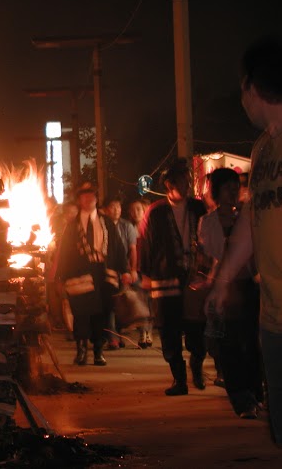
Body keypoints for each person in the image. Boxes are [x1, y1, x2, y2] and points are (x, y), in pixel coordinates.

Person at [206, 35, 282, 464]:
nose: (241, 96)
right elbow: (250, 221)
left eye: (242, 86)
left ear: (255, 87)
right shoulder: (263, 150)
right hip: (276, 318)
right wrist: (223, 279)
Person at [137, 158, 207, 396]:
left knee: (197, 330)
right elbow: (144, 244)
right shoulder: (155, 212)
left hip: (194, 278)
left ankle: (197, 361)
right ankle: (179, 379)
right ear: (169, 184)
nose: (187, 186)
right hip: (164, 279)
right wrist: (144, 273)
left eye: (188, 181)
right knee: (169, 331)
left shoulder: (198, 208)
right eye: (182, 181)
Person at [198, 168, 263, 419]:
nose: (233, 193)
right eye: (228, 188)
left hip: (248, 285)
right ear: (216, 192)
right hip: (223, 288)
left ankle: (256, 393)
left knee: (252, 343)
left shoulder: (247, 218)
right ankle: (241, 398)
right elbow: (207, 257)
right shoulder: (208, 222)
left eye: (236, 188)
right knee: (229, 345)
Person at [56, 183, 130, 366]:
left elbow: (119, 248)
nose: (89, 199)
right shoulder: (72, 226)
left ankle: (98, 351)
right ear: (79, 199)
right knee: (80, 313)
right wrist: (61, 276)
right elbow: (64, 251)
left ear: (96, 199)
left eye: (92, 196)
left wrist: (126, 270)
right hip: (79, 274)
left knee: (101, 314)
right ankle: (81, 351)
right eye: (84, 196)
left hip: (103, 274)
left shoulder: (106, 223)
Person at [104, 198, 139, 349]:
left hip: (122, 267)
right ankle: (113, 338)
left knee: (121, 303)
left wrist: (132, 269)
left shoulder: (126, 226)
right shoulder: (102, 224)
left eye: (118, 206)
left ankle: (118, 334)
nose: (116, 210)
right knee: (111, 304)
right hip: (107, 269)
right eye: (113, 207)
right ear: (106, 209)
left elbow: (132, 249)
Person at [128, 198, 153, 347]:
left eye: (139, 209)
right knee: (141, 303)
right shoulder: (128, 228)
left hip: (148, 270)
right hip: (136, 271)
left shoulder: (150, 228)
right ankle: (143, 333)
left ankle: (148, 332)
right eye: (133, 210)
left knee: (149, 302)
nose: (136, 212)